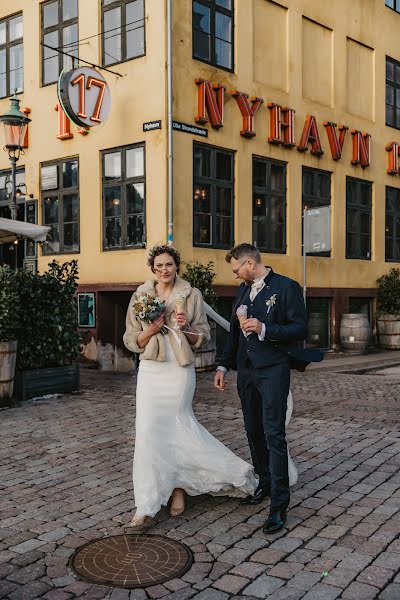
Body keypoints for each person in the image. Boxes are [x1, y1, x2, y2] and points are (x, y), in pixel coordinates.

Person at [124, 245, 256, 527]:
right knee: (147, 432)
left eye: (169, 264)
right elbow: (129, 338)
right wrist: (150, 329)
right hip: (151, 370)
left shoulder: (191, 294)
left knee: (177, 427)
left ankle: (179, 489)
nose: (164, 270)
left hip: (179, 370)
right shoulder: (140, 295)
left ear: (176, 266)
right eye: (159, 265)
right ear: (153, 268)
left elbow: (205, 337)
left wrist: (186, 328)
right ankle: (145, 505)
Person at [214, 243, 310, 534]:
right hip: (246, 372)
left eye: (236, 269)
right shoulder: (242, 291)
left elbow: (300, 328)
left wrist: (265, 327)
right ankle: (265, 484)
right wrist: (222, 365)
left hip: (273, 371)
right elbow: (233, 333)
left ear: (250, 263)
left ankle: (279, 504)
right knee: (253, 430)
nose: (235, 275)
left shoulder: (286, 287)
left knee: (274, 433)